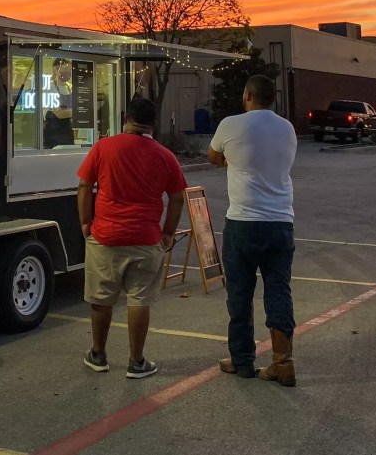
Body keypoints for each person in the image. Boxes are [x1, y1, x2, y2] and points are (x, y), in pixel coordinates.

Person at [76, 98, 186, 379]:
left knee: (101, 299)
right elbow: (176, 198)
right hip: (146, 239)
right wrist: (167, 233)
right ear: (154, 123)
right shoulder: (165, 155)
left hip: (105, 237)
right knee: (139, 301)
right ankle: (136, 362)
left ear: (126, 118)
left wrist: (86, 223)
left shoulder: (103, 147)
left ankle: (98, 354)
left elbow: (85, 185)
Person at [208, 74, 299, 386]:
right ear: (271, 98)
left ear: (247, 95)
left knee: (240, 293)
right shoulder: (287, 128)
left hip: (244, 223)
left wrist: (234, 161)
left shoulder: (231, 124)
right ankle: (282, 362)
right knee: (278, 290)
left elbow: (213, 156)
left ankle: (242, 360)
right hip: (280, 222)